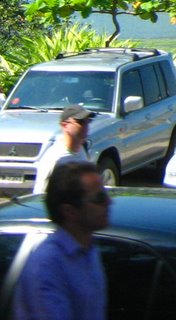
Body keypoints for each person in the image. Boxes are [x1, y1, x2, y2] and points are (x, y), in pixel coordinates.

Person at [12, 161, 110, 320]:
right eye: (99, 199)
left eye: (105, 195)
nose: (109, 202)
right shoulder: (48, 264)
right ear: (69, 211)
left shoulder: (89, 249)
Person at [33, 105, 95, 194]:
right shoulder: (54, 157)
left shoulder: (82, 149)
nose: (86, 126)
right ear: (65, 125)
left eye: (88, 121)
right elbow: (40, 195)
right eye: (81, 122)